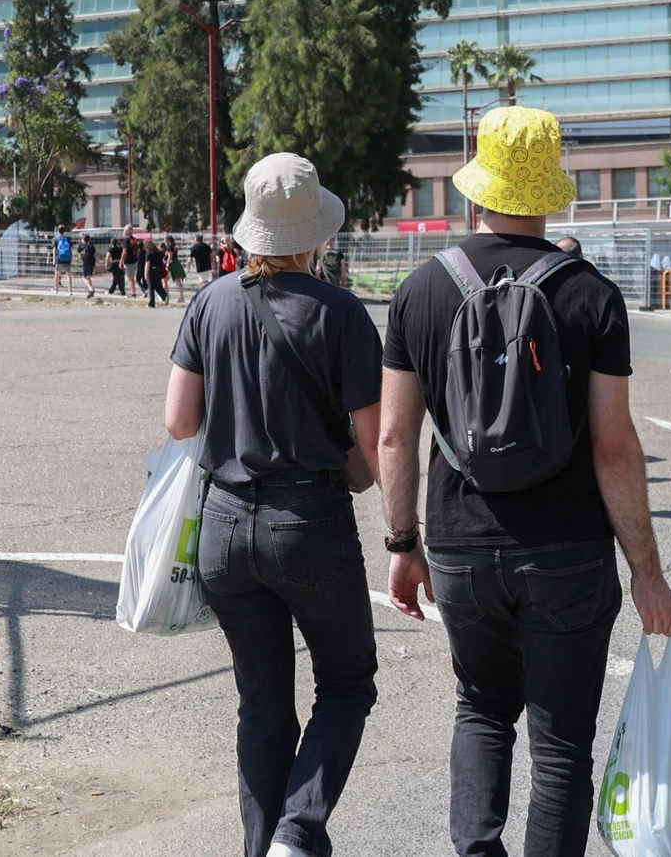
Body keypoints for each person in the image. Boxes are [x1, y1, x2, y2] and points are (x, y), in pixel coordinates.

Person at [379, 105, 671, 857]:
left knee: (481, 711)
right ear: (549, 192)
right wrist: (647, 570)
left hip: (458, 546)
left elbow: (393, 434)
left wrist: (402, 543)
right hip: (568, 550)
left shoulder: (420, 291)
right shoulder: (592, 295)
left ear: (476, 191)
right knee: (561, 746)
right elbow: (613, 446)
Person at [166, 152, 382, 857]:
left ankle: (267, 848)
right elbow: (373, 445)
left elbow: (178, 421)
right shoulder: (343, 314)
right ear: (316, 235)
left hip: (225, 523)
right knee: (346, 683)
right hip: (309, 520)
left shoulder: (210, 300)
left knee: (261, 701)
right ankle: (297, 831)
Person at [146, 238, 169, 308]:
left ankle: (151, 303)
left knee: (151, 287)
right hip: (158, 270)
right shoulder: (159, 253)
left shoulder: (149, 254)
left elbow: (147, 264)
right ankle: (165, 296)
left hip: (152, 270)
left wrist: (146, 273)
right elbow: (162, 262)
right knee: (158, 286)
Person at [122, 225, 143, 300]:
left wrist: (121, 261)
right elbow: (137, 250)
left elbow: (124, 251)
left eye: (124, 230)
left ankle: (133, 292)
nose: (123, 232)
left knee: (130, 278)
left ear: (127, 232)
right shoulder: (134, 239)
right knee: (132, 277)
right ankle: (133, 292)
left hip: (128, 260)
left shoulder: (126, 240)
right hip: (134, 260)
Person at [52, 224, 74, 293]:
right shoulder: (68, 238)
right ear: (64, 231)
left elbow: (54, 249)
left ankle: (56, 289)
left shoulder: (55, 239)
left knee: (57, 274)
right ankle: (69, 289)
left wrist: (54, 258)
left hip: (59, 258)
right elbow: (70, 247)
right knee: (68, 274)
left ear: (58, 230)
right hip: (67, 258)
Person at [166, 235, 188, 301]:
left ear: (168, 240)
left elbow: (170, 256)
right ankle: (181, 296)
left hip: (173, 263)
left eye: (166, 240)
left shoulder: (169, 247)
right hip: (176, 262)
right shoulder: (174, 246)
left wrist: (167, 264)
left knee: (174, 280)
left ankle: (168, 295)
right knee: (177, 281)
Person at [79, 232, 97, 300]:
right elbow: (94, 254)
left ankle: (90, 289)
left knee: (83, 277)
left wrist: (82, 261)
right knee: (88, 277)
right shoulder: (92, 245)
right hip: (92, 261)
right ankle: (90, 291)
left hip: (86, 262)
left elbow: (80, 255)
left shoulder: (82, 245)